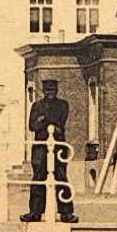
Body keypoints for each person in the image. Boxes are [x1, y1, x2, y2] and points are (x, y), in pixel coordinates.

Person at [21, 79, 77, 223]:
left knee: (61, 177)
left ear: (57, 91)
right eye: (48, 90)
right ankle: (35, 212)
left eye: (53, 90)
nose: (50, 93)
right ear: (43, 91)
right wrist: (49, 122)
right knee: (38, 178)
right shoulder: (37, 105)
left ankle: (66, 213)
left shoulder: (62, 104)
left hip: (58, 146)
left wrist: (43, 120)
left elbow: (60, 123)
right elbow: (32, 125)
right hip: (40, 147)